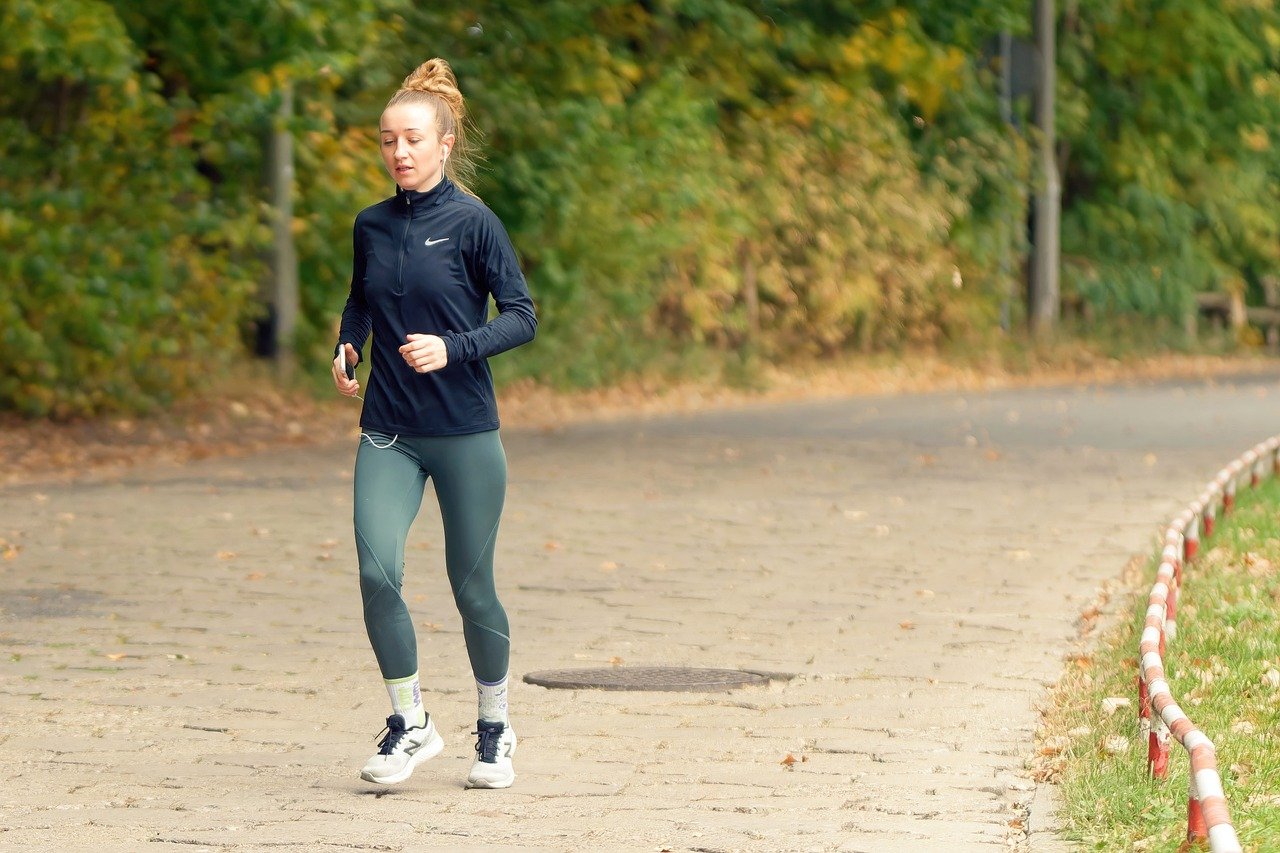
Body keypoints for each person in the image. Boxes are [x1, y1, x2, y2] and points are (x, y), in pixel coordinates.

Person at [331, 57, 536, 789]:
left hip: (464, 432)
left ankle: (495, 724)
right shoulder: (372, 224)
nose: (400, 153)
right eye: (388, 141)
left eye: (413, 139)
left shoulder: (474, 222)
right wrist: (348, 341)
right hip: (389, 426)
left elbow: (522, 316)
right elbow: (363, 298)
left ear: (444, 143)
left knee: (471, 584)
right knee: (375, 569)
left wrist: (456, 347)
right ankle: (411, 722)